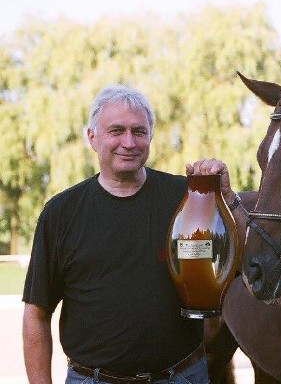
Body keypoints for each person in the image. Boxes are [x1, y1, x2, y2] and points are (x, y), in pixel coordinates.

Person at [22, 85, 217, 383]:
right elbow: (36, 315)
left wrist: (226, 198)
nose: (129, 142)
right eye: (116, 130)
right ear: (92, 137)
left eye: (139, 131)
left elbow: (241, 258)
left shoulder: (188, 198)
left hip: (181, 376)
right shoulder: (61, 213)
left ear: (150, 136)